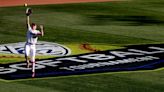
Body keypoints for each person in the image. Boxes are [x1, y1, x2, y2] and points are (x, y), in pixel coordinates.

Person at [25, 8, 44, 77]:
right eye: (32, 25)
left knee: (33, 60)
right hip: (28, 44)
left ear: (35, 27)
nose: (33, 26)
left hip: (33, 46)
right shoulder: (30, 30)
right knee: (26, 54)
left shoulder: (37, 31)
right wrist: (27, 16)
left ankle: (33, 72)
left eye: (34, 26)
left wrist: (41, 29)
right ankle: (27, 61)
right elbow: (27, 23)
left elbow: (42, 34)